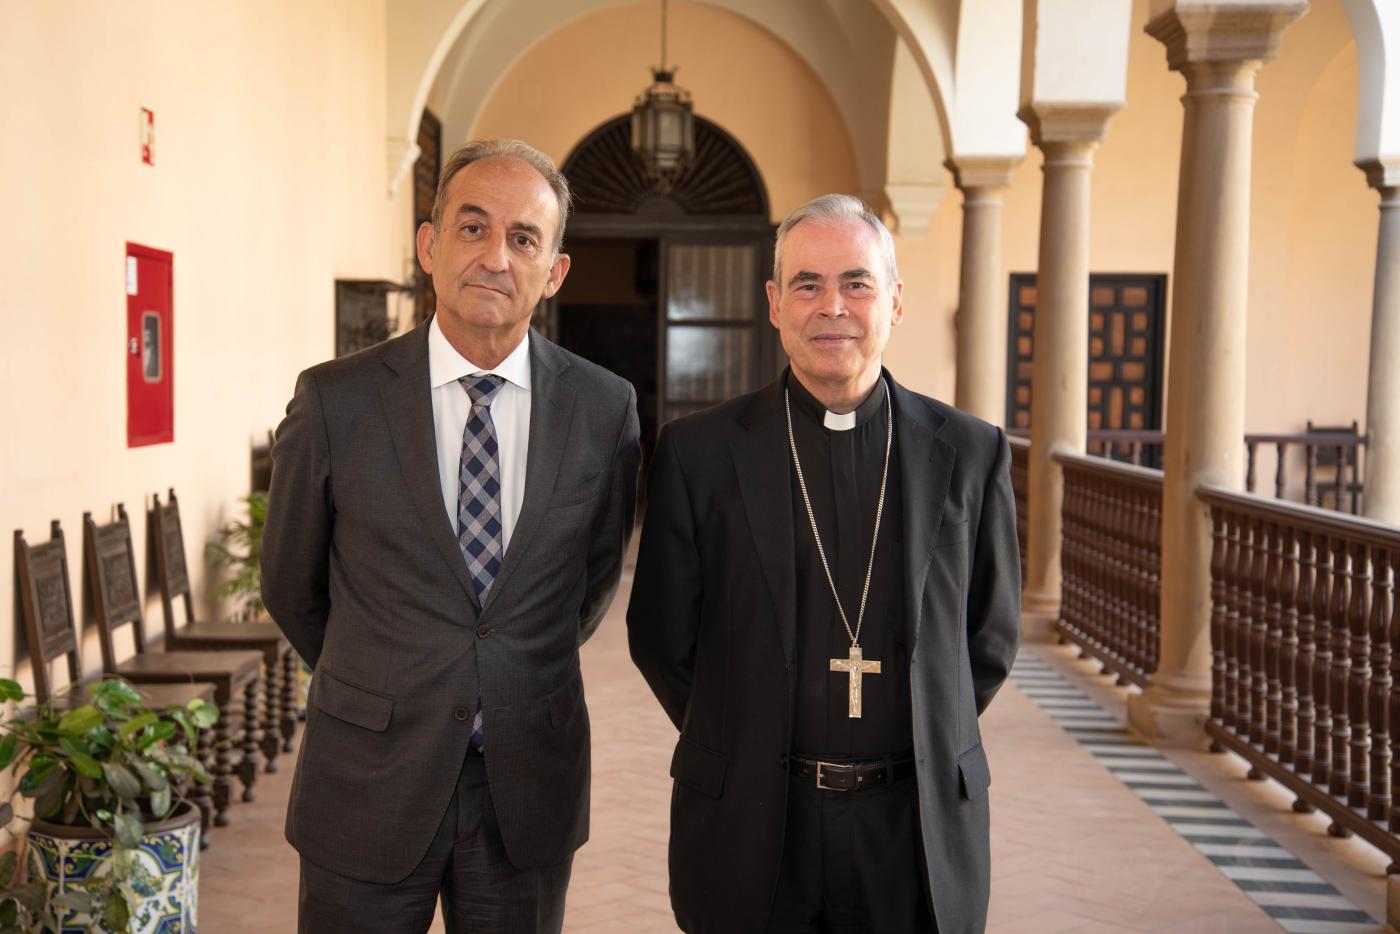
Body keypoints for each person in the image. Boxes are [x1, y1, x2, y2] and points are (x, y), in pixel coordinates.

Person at [262, 138, 640, 934]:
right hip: (367, 777)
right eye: (472, 228)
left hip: (526, 787)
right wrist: (387, 680)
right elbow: (292, 586)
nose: (495, 256)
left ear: (555, 270)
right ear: (430, 247)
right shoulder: (336, 402)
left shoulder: (604, 412)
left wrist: (498, 670)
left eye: (524, 237)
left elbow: (591, 581)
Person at [627, 194, 1020, 934]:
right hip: (757, 821)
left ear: (894, 302)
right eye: (807, 284)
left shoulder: (970, 452)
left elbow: (989, 640)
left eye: (856, 283)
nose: (831, 305)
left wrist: (922, 731)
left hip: (912, 823)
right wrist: (745, 734)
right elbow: (660, 636)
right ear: (775, 304)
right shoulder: (700, 454)